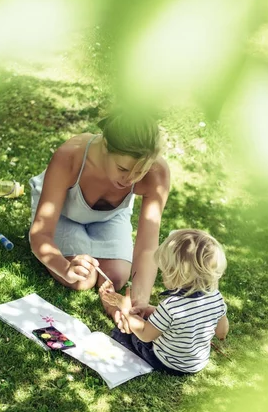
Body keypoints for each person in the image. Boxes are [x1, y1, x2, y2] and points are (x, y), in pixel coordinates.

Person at [29, 110, 170, 318]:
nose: (130, 179)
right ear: (105, 146)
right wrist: (65, 268)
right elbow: (40, 234)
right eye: (122, 168)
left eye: (140, 171)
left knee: (117, 277)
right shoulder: (71, 156)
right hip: (63, 213)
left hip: (110, 217)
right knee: (82, 279)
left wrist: (138, 304)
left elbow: (147, 248)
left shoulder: (157, 174)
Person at [99, 229, 229, 375]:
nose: (162, 275)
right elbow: (221, 332)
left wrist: (126, 311)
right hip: (196, 364)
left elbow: (145, 334)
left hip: (165, 362)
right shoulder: (215, 297)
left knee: (125, 334)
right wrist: (147, 308)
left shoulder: (172, 305)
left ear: (177, 274)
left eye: (165, 271)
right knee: (152, 320)